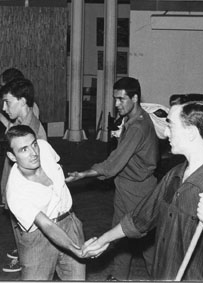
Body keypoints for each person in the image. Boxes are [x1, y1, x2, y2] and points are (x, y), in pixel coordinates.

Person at [81, 94, 203, 281]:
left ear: (191, 133)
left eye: (170, 124)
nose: (165, 132)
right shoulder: (174, 175)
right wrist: (103, 240)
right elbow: (140, 219)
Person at [66, 77, 159, 280]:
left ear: (134, 98)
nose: (117, 104)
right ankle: (119, 276)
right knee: (119, 237)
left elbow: (113, 164)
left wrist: (83, 174)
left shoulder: (137, 127)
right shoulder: (135, 119)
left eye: (121, 99)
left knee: (146, 243)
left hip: (139, 192)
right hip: (126, 188)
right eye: (115, 99)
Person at [5, 125, 85, 280]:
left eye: (33, 144)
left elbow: (56, 163)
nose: (34, 153)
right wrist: (75, 250)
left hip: (68, 222)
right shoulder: (15, 192)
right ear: (12, 156)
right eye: (24, 150)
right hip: (38, 238)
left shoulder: (44, 147)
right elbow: (47, 225)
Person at [0, 77, 47, 272]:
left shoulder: (31, 132)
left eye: (8, 101)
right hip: (14, 192)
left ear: (23, 101)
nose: (4, 107)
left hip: (25, 198)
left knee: (29, 240)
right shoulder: (20, 125)